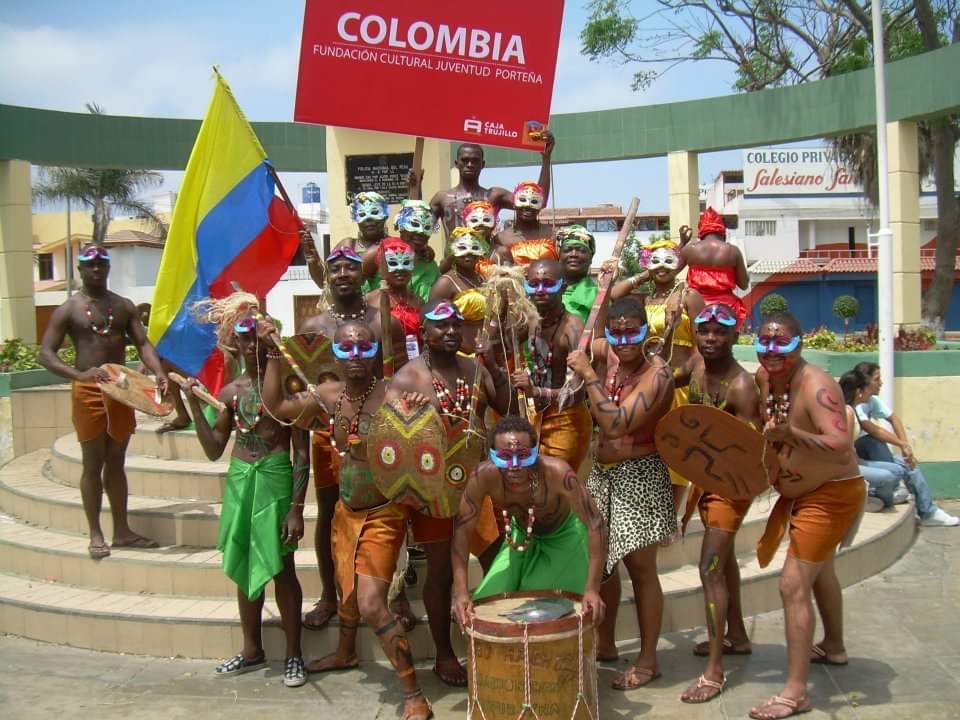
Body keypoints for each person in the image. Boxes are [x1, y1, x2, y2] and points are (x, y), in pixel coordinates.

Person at [258, 318, 434, 720]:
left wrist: (421, 414)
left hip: (384, 514)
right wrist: (272, 356)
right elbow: (277, 407)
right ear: (334, 354)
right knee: (347, 595)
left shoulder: (394, 395)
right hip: (345, 512)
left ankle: (414, 694)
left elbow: (428, 442)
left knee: (373, 603)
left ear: (375, 353)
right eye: (347, 349)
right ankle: (345, 653)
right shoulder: (328, 395)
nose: (355, 356)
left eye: (364, 348)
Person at [385, 299, 515, 687]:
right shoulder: (408, 378)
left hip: (477, 485)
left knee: (499, 561)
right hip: (435, 491)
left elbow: (507, 408)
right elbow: (393, 441)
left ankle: (497, 638)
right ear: (424, 332)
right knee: (441, 573)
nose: (451, 331)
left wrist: (494, 365)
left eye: (457, 325)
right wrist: (415, 414)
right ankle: (445, 654)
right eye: (441, 325)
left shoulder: (474, 369)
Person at [181, 294, 307, 687]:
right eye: (245, 336)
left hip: (274, 479)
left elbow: (301, 451)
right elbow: (214, 449)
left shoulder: (287, 386)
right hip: (239, 479)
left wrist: (296, 509)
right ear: (234, 343)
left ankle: (294, 655)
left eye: (258, 335)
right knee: (241, 567)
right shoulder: (230, 392)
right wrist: (189, 402)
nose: (252, 343)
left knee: (283, 569)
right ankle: (252, 651)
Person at [749, 312, 866, 719]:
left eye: (782, 343)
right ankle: (833, 646)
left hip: (832, 493)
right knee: (823, 573)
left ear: (799, 343)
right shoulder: (764, 379)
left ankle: (795, 692)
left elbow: (840, 445)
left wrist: (791, 437)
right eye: (764, 342)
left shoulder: (816, 385)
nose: (772, 351)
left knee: (793, 585)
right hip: (803, 492)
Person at [566, 297, 677, 689]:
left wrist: (588, 375)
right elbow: (586, 330)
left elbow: (616, 425)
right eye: (618, 332)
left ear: (648, 332)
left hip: (640, 476)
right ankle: (606, 645)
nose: (625, 340)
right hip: (604, 476)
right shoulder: (608, 352)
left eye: (634, 331)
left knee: (642, 571)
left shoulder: (657, 375)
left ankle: (648, 662)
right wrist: (609, 282)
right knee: (603, 564)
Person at [38, 243, 168, 559]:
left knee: (116, 462)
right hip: (89, 392)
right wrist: (78, 375)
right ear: (80, 269)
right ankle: (96, 533)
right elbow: (45, 353)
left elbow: (143, 344)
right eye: (90, 264)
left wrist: (158, 371)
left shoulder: (123, 306)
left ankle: (122, 530)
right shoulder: (68, 309)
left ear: (108, 268)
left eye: (101, 264)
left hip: (121, 390)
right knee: (92, 462)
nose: (96, 269)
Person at [299, 245, 404, 631]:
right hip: (333, 431)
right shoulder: (314, 326)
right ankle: (330, 595)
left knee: (393, 503)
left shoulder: (385, 321)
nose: (343, 273)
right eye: (335, 268)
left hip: (381, 428)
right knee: (330, 512)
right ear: (327, 276)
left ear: (364, 274)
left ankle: (398, 594)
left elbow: (403, 375)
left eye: (350, 267)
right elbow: (306, 387)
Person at [672, 303, 761, 703]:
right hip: (704, 482)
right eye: (704, 331)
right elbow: (664, 377)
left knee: (709, 567)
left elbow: (748, 453)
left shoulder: (741, 387)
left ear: (734, 335)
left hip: (730, 487)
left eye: (720, 332)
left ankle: (713, 670)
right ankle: (737, 635)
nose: (711, 339)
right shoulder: (695, 365)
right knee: (722, 563)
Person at [452, 415, 606, 624]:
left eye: (523, 455)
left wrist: (592, 589)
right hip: (519, 537)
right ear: (491, 454)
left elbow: (595, 523)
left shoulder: (558, 473)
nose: (514, 465)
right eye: (505, 456)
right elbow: (462, 533)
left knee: (542, 610)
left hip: (565, 536)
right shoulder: (482, 476)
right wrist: (461, 594)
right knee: (484, 605)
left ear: (536, 452)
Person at [611, 238, 705, 526]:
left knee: (677, 454)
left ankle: (669, 517)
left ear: (679, 263)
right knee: (647, 449)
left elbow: (703, 344)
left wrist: (699, 379)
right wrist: (643, 274)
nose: (662, 267)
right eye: (655, 261)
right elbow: (614, 294)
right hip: (646, 385)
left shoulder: (690, 296)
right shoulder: (644, 299)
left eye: (669, 260)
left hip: (678, 385)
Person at [843, 368, 958, 527]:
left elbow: (893, 418)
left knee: (905, 465)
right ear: (861, 389)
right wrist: (900, 444)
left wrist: (905, 447)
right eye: (877, 379)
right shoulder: (850, 411)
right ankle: (876, 495)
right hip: (852, 459)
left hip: (856, 457)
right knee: (878, 450)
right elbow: (871, 430)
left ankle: (928, 512)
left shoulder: (867, 402)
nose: (881, 383)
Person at [511, 260, 592, 473]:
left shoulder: (573, 328)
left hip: (567, 419)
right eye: (534, 284)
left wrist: (536, 391)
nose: (540, 291)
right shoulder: (528, 321)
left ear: (563, 287)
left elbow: (578, 392)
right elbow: (498, 346)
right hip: (534, 415)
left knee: (556, 484)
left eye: (547, 284)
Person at [430, 136, 554, 239]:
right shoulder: (442, 198)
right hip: (452, 266)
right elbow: (420, 229)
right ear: (457, 164)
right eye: (465, 160)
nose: (469, 165)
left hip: (487, 265)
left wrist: (546, 158)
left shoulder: (494, 195)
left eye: (475, 161)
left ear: (482, 164)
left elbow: (538, 201)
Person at [680, 207, 748, 327]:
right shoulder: (733, 251)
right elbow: (744, 285)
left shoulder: (689, 249)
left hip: (696, 309)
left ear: (701, 231)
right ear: (722, 231)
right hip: (726, 309)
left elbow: (668, 271)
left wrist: (682, 244)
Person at [429, 228, 490, 355]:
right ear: (453, 251)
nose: (468, 253)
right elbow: (432, 323)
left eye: (474, 247)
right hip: (459, 356)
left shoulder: (484, 279)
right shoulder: (445, 283)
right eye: (462, 248)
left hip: (487, 354)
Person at [364, 237, 422, 367]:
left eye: (406, 262)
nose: (400, 269)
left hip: (415, 368)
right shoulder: (368, 301)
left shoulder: (418, 301)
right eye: (393, 263)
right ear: (381, 267)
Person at [493, 181, 560, 265]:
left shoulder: (553, 234)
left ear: (540, 206)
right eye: (523, 200)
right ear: (514, 204)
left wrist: (545, 167)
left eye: (534, 202)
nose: (528, 206)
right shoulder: (501, 238)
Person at [557, 224, 599, 323]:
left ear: (591, 258)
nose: (574, 254)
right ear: (559, 256)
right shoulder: (545, 292)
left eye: (581, 250)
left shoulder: (598, 296)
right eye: (567, 250)